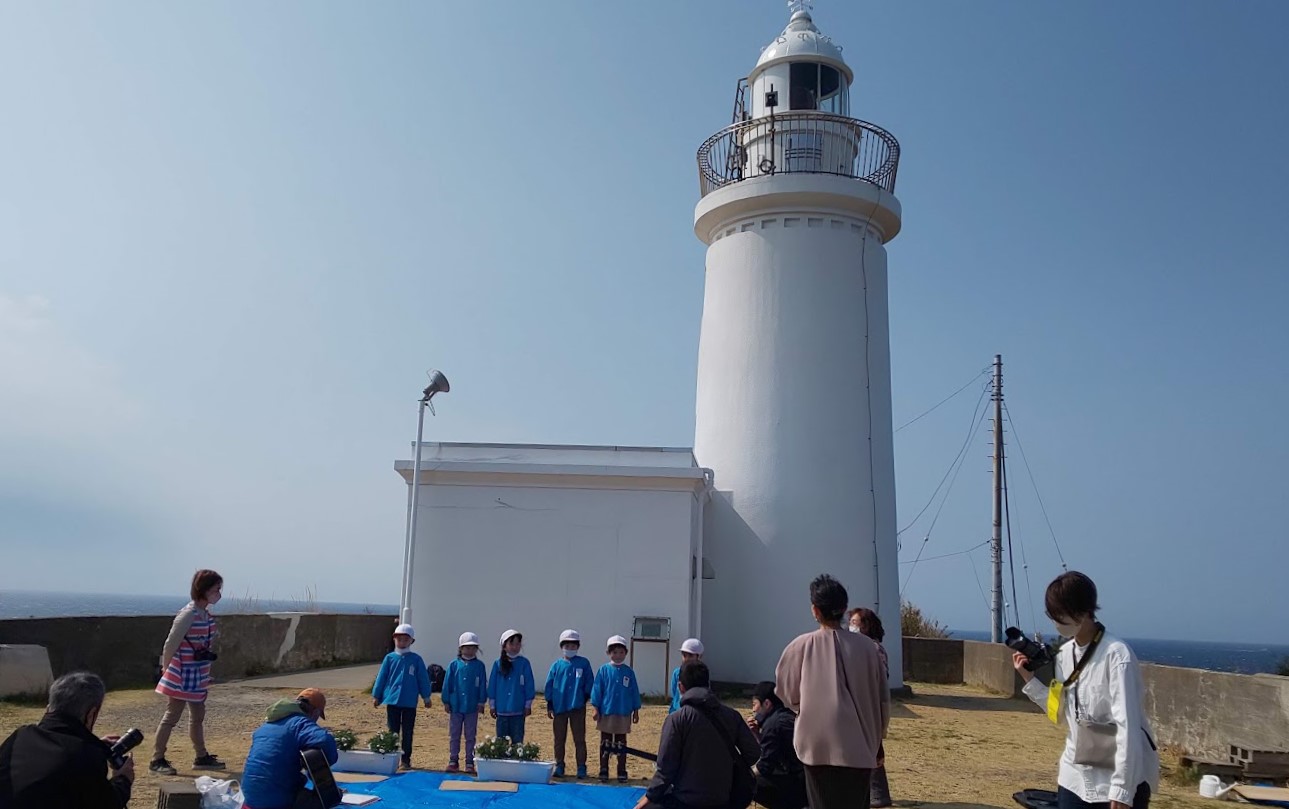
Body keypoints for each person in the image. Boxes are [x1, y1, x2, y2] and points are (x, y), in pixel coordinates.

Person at [1013, 572, 1159, 809]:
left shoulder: (1116, 655)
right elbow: (1060, 714)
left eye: (1060, 616)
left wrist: (1122, 789)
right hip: (1074, 776)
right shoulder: (1064, 655)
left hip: (1114, 780)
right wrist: (1029, 679)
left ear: (1082, 612)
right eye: (1053, 616)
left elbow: (1128, 726)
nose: (1056, 623)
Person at [775, 574, 889, 809]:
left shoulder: (800, 646)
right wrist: (878, 738)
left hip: (816, 744)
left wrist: (804, 706)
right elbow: (882, 701)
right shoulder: (870, 649)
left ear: (815, 610)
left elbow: (786, 693)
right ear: (844, 608)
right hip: (861, 744)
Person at [0, 671, 134, 809]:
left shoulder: (20, 736)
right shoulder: (85, 756)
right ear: (91, 715)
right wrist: (123, 779)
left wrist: (93, 746)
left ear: (49, 707)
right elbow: (107, 804)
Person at [637, 660, 758, 809]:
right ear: (708, 685)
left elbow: (665, 770)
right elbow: (753, 753)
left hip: (685, 800)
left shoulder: (677, 719)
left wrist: (646, 800)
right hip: (723, 799)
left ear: (681, 687)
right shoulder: (732, 715)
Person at [150, 568, 224, 775]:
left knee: (197, 715)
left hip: (196, 674)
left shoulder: (203, 614)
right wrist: (166, 669)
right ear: (205, 590)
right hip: (182, 673)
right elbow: (171, 643)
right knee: (172, 715)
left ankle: (201, 755)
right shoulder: (189, 614)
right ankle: (157, 758)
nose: (219, 594)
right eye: (216, 589)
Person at [241, 688, 337, 809]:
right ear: (315, 712)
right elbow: (325, 741)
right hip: (277, 800)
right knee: (329, 798)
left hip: (249, 798)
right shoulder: (300, 724)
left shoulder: (265, 727)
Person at [371, 623, 432, 770]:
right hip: (392, 700)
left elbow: (423, 679)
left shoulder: (416, 659)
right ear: (394, 640)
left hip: (409, 701)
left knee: (408, 731)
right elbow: (382, 677)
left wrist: (426, 696)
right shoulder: (389, 658)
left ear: (411, 641)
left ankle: (406, 759)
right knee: (393, 731)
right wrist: (376, 695)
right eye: (399, 639)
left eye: (406, 639)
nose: (402, 642)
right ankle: (391, 757)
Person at [848, 607, 892, 808]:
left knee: (872, 748)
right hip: (858, 702)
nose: (852, 626)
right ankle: (876, 793)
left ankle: (877, 794)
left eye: (856, 623)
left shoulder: (874, 648)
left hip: (870, 703)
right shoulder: (858, 647)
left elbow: (880, 679)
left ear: (867, 625)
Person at [543, 629, 595, 779]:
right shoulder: (557, 665)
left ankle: (581, 766)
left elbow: (589, 682)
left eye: (573, 646)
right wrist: (550, 703)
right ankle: (559, 764)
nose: (570, 649)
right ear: (562, 647)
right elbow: (549, 685)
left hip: (577, 707)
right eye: (567, 646)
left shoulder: (584, 663)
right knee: (559, 738)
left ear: (578, 647)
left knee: (579, 738)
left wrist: (584, 697)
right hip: (559, 707)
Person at [590, 635, 642, 782]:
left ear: (626, 653)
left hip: (623, 712)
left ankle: (621, 770)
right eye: (614, 652)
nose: (618, 655)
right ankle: (604, 769)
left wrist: (635, 711)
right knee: (605, 741)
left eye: (621, 652)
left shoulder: (629, 672)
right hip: (607, 712)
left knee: (621, 742)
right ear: (608, 653)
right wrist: (595, 708)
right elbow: (597, 690)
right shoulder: (603, 670)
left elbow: (634, 691)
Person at [748, 681, 806, 809]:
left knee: (748, 782)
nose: (753, 710)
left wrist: (744, 774)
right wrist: (758, 734)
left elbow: (765, 766)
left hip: (798, 784)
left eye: (755, 704)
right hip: (807, 779)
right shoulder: (786, 716)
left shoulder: (773, 725)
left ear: (767, 703)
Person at [442, 631, 487, 775]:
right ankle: (453, 760)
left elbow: (482, 685)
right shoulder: (454, 665)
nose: (470, 650)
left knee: (470, 735)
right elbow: (447, 684)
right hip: (456, 705)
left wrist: (481, 701)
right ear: (460, 648)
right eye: (466, 647)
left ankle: (469, 761)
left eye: (473, 647)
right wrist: (446, 701)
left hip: (472, 706)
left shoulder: (479, 666)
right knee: (454, 734)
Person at [487, 629, 535, 743]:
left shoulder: (524, 663)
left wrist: (528, 704)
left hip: (518, 710)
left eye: (518, 643)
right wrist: (492, 705)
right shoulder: (498, 664)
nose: (515, 646)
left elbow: (529, 684)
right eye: (511, 643)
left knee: (517, 740)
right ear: (504, 646)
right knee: (501, 742)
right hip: (502, 710)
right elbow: (492, 685)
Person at [668, 638, 704, 714]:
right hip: (678, 712)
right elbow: (675, 693)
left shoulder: (702, 673)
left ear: (699, 656)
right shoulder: (677, 673)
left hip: (696, 713)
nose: (687, 659)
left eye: (690, 655)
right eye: (684, 655)